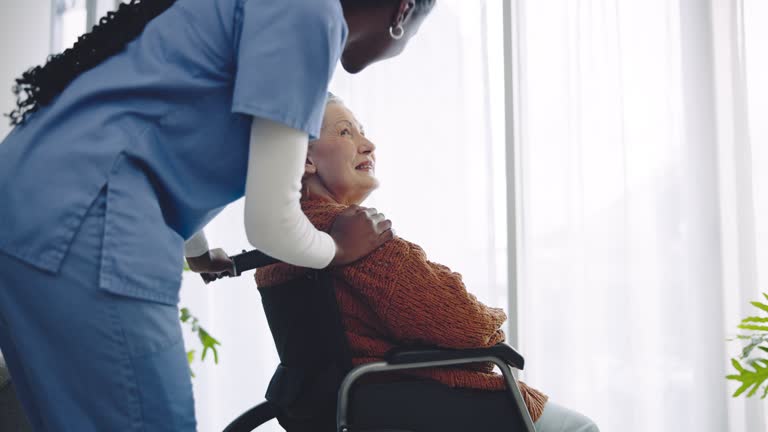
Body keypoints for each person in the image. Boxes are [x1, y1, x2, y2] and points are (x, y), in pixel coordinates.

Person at [0, 0, 436, 430]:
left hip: (30, 201)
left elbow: (163, 130)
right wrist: (337, 247)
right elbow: (271, 223)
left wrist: (198, 249)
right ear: (403, 11)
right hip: (87, 214)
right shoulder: (310, 14)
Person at [255, 95, 601, 432]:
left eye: (362, 132)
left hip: (335, 409)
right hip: (402, 404)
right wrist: (492, 328)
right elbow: (468, 328)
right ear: (305, 159)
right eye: (346, 132)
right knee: (579, 427)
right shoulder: (357, 232)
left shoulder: (284, 243)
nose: (368, 144)